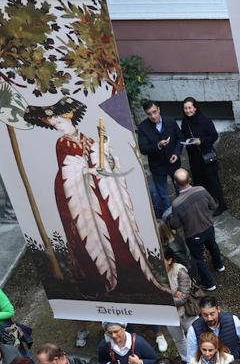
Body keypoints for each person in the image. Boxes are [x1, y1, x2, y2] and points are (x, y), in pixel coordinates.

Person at [25, 96, 167, 296]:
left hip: (98, 191)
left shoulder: (88, 139)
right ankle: (103, 278)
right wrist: (86, 171)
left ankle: (130, 275)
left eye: (60, 122)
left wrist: (104, 152)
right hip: (76, 194)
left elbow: (103, 160)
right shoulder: (62, 143)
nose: (58, 127)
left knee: (114, 227)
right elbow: (69, 168)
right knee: (90, 233)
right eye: (55, 124)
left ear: (69, 118)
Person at [166, 168, 224, 293]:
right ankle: (219, 265)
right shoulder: (202, 190)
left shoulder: (177, 204)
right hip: (208, 227)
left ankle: (209, 283)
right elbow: (213, 206)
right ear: (190, 179)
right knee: (213, 246)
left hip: (193, 235)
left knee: (198, 259)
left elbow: (175, 224)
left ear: (175, 183)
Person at [136, 100, 183, 218]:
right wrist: (158, 145)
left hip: (173, 162)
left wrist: (176, 154)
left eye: (154, 112)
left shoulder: (170, 121)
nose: (153, 116)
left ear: (159, 109)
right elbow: (143, 149)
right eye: (149, 114)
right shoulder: (142, 127)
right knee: (162, 194)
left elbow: (180, 139)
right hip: (157, 166)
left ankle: (183, 210)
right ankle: (168, 217)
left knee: (180, 188)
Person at [179, 97, 225, 211]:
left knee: (213, 182)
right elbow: (184, 135)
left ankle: (222, 205)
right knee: (200, 183)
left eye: (190, 108)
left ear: (195, 108)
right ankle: (208, 203)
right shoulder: (185, 122)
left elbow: (214, 136)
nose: (187, 110)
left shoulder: (204, 119)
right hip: (194, 158)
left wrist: (201, 141)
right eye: (185, 108)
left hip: (206, 155)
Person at [185, 296, 240, 362]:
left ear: (218, 309)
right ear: (200, 312)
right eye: (205, 315)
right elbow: (191, 357)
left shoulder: (233, 320)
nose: (209, 318)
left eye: (212, 314)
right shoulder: (194, 329)